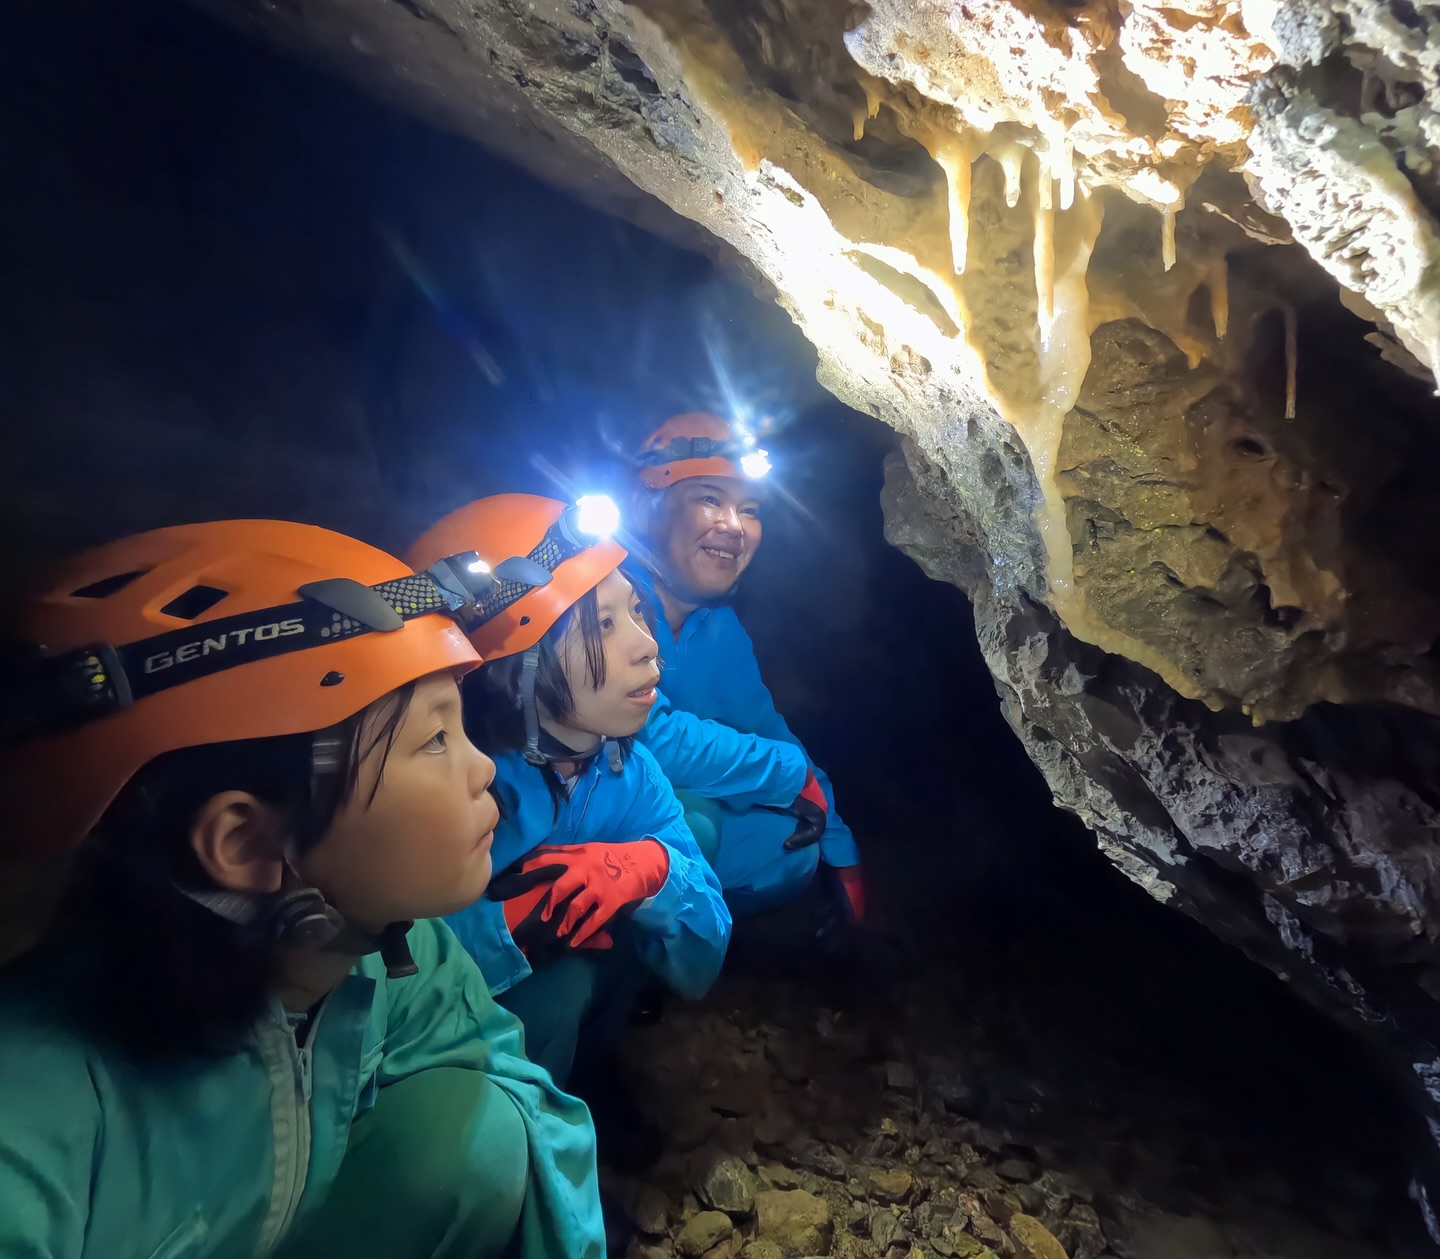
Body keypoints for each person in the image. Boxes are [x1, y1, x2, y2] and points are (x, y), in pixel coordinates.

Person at [0, 519, 605, 1259]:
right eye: (435, 740)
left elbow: (524, 1094)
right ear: (247, 842)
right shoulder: (35, 1111)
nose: (483, 768)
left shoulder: (393, 955)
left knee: (480, 1138)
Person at [405, 493, 732, 1088]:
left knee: (691, 840)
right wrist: (505, 925)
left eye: (636, 612)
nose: (646, 645)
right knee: (561, 988)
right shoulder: (451, 783)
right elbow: (370, 968)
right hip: (431, 1044)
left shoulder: (625, 771)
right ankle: (515, 1130)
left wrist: (654, 871)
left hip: (565, 981)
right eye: (603, 625)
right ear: (514, 665)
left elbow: (704, 956)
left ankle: (597, 1074)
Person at [628, 411, 865, 926]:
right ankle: (607, 971)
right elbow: (641, 735)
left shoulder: (718, 627)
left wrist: (841, 851)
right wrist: (787, 775)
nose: (734, 526)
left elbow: (764, 727)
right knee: (695, 821)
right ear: (647, 507)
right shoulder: (599, 594)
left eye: (749, 508)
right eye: (709, 498)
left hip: (643, 817)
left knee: (785, 848)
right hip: (560, 813)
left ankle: (666, 947)